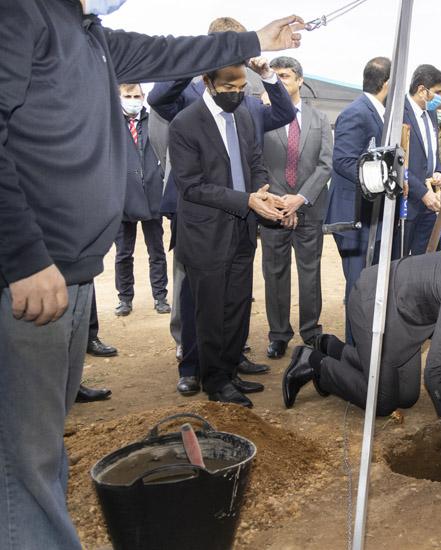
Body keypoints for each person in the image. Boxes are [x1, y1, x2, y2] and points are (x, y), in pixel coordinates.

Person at [0, 1, 302, 546]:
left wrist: (254, 38)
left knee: (42, 450)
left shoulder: (89, 32)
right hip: (30, 272)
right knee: (20, 460)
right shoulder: (21, 14)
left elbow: (168, 49)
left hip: (69, 273)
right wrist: (21, 253)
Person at [283, 252, 441, 465]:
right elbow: (435, 373)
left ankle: (332, 346)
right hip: (376, 301)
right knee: (383, 402)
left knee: (406, 397)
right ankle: (314, 362)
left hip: (407, 314)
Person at [168, 62, 295, 408]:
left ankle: (229, 370)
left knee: (237, 305)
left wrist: (262, 192)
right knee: (210, 312)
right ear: (208, 82)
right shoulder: (185, 124)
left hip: (242, 228)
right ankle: (214, 381)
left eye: (241, 87)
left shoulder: (243, 116)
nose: (237, 94)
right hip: (206, 234)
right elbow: (191, 186)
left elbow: (255, 161)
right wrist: (246, 200)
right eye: (229, 88)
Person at [261, 56, 333, 360]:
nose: (280, 81)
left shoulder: (320, 119)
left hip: (309, 208)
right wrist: (279, 202)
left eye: (286, 76)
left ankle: (310, 331)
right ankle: (278, 335)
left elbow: (325, 165)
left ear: (300, 80)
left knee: (310, 271)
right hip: (272, 211)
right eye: (275, 76)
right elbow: (257, 163)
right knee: (274, 273)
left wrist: (299, 199)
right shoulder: (261, 117)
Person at [326, 56, 392, 345]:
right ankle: (355, 351)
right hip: (353, 216)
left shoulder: (376, 111)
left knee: (370, 284)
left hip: (370, 214)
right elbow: (343, 161)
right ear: (388, 84)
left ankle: (367, 347)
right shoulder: (357, 112)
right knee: (358, 286)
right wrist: (383, 179)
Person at [114, 83, 170, 316]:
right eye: (128, 96)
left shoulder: (153, 120)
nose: (133, 99)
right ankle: (125, 298)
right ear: (119, 96)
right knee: (123, 253)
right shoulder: (112, 124)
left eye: (137, 95)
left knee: (156, 250)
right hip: (123, 198)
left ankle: (160, 297)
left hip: (152, 196)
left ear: (144, 96)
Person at [398, 64, 441, 257]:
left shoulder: (431, 114)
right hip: (407, 202)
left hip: (430, 205)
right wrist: (422, 193)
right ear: (421, 90)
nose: (440, 98)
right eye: (437, 92)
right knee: (400, 262)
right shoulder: (398, 113)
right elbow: (398, 163)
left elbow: (433, 151)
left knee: (423, 262)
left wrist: (439, 171)